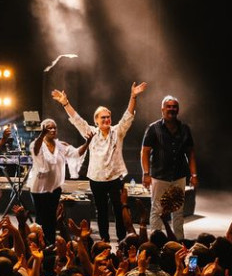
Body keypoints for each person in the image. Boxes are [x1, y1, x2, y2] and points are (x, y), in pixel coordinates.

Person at [51, 82, 146, 241]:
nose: (107, 120)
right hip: (96, 178)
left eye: (108, 117)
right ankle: (104, 240)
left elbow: (128, 115)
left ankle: (122, 239)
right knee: (101, 211)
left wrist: (133, 96)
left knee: (118, 209)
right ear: (96, 121)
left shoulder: (118, 132)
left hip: (115, 178)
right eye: (103, 118)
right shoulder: (91, 132)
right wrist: (65, 103)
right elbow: (77, 119)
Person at [25, 120, 89, 246]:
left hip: (55, 187)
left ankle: (50, 242)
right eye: (49, 128)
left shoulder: (60, 145)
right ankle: (39, 243)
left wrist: (88, 142)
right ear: (43, 130)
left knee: (52, 217)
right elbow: (36, 151)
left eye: (55, 128)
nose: (53, 130)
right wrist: (41, 135)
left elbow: (76, 153)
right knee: (41, 217)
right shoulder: (36, 144)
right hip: (39, 188)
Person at [141, 94, 197, 238]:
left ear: (178, 109)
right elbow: (145, 152)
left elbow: (190, 153)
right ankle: (156, 242)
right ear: (162, 109)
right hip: (159, 176)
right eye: (169, 106)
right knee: (157, 210)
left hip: (179, 175)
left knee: (178, 212)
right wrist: (146, 173)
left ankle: (179, 243)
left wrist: (194, 174)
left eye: (174, 107)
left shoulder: (185, 129)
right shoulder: (153, 128)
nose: (171, 109)